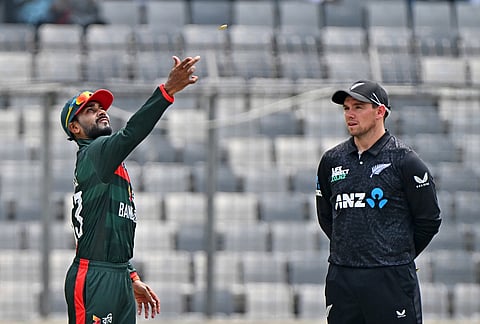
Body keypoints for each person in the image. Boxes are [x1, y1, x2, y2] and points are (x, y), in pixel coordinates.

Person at [61, 55, 200, 323]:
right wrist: (167, 91)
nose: (101, 111)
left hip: (117, 276)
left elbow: (107, 229)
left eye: (101, 107)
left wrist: (129, 274)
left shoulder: (108, 162)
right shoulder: (94, 154)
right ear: (75, 128)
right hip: (94, 278)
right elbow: (131, 134)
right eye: (90, 110)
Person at [316, 80, 441, 324]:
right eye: (346, 108)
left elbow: (429, 220)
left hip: (391, 278)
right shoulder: (331, 160)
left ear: (380, 112)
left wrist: (394, 254)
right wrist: (354, 250)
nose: (350, 114)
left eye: (358, 107)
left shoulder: (404, 161)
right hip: (342, 278)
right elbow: (327, 217)